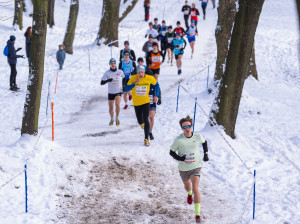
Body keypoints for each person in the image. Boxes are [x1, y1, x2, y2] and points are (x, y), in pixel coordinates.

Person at [169, 115, 209, 223]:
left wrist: (205, 154)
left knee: (196, 188)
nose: (187, 129)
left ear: (192, 126)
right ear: (181, 128)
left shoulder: (197, 137)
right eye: (184, 127)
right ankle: (189, 193)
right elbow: (171, 152)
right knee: (188, 187)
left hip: (196, 166)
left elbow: (204, 142)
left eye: (189, 126)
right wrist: (179, 158)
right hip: (184, 168)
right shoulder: (178, 140)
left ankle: (197, 215)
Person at [125, 65, 159, 146]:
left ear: (144, 72)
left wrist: (156, 95)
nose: (141, 74)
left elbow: (157, 85)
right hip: (136, 103)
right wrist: (134, 84)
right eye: (139, 72)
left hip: (146, 102)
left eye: (142, 72)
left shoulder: (149, 78)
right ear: (137, 73)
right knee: (140, 120)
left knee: (146, 119)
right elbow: (126, 89)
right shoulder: (133, 78)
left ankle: (146, 139)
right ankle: (142, 124)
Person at [101, 58, 125, 126]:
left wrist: (124, 87)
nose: (113, 65)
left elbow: (124, 79)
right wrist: (108, 80)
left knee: (117, 104)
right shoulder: (107, 73)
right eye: (111, 63)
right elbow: (102, 82)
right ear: (110, 64)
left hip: (118, 91)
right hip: (111, 92)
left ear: (115, 64)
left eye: (114, 63)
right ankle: (112, 118)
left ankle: (117, 118)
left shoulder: (120, 72)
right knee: (111, 108)